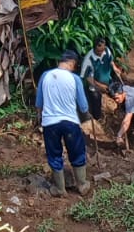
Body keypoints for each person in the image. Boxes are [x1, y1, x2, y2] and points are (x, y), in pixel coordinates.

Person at [37, 50, 94, 197]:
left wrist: (40, 120)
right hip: (70, 122)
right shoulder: (74, 79)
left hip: (50, 123)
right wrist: (86, 115)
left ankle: (60, 189)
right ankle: (81, 185)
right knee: (76, 151)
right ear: (72, 63)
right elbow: (83, 107)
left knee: (54, 153)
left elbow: (39, 104)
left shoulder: (45, 76)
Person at [80, 37, 120, 121]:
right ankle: (97, 119)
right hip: (93, 86)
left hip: (106, 81)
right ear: (94, 48)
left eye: (102, 50)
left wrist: (115, 68)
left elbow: (111, 60)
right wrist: (99, 86)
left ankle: (114, 115)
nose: (100, 53)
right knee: (96, 101)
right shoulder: (88, 60)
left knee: (117, 94)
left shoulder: (107, 50)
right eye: (98, 51)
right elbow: (88, 78)